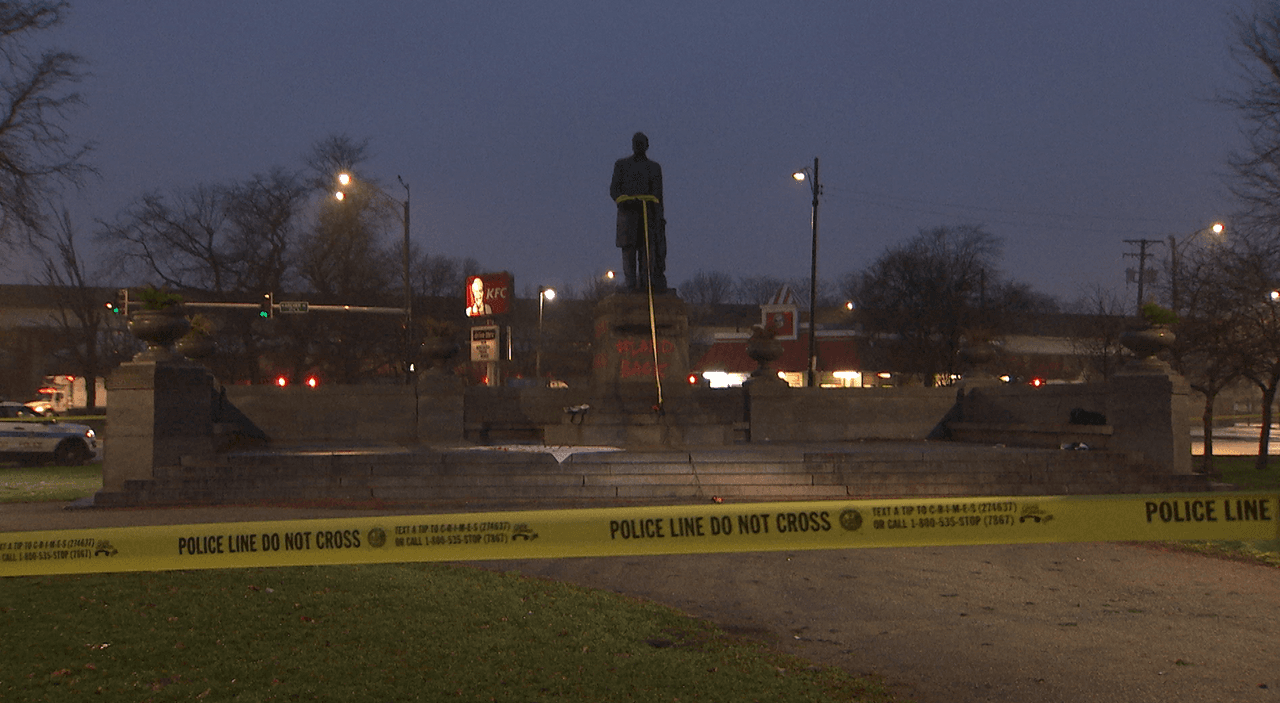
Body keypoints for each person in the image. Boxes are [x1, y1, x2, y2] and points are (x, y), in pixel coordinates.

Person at [610, 132, 666, 292]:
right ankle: (630, 283)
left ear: (647, 146)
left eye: (641, 143)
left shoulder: (654, 168)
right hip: (627, 215)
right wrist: (626, 201)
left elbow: (658, 195)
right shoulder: (621, 165)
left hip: (647, 215)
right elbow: (614, 190)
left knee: (646, 250)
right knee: (628, 250)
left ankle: (645, 283)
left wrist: (660, 219)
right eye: (636, 142)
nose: (638, 146)